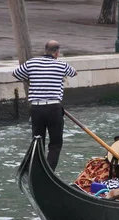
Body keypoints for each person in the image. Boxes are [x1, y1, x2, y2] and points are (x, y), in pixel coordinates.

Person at [12, 40, 77, 171]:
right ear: (57, 53)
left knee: (37, 141)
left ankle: (36, 168)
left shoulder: (32, 63)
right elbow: (74, 73)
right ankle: (49, 170)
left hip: (36, 108)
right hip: (54, 108)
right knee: (55, 143)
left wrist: (32, 78)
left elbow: (16, 74)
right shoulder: (61, 65)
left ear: (45, 50)